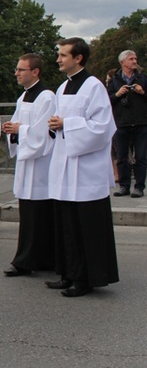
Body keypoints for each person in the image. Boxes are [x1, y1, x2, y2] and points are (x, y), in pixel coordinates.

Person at [46, 37, 119, 297]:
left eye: (64, 55)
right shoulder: (62, 87)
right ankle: (68, 273)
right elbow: (57, 121)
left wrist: (67, 124)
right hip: (65, 165)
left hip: (86, 168)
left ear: (78, 58)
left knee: (85, 225)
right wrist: (54, 125)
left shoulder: (93, 86)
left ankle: (86, 279)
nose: (58, 59)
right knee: (67, 223)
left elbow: (103, 128)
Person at [2, 54, 56, 276]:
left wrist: (19, 131)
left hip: (41, 165)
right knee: (29, 215)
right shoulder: (24, 96)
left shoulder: (47, 97)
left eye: (21, 69)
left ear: (35, 72)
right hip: (27, 165)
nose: (16, 73)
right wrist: (11, 129)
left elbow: (44, 132)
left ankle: (31, 261)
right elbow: (19, 123)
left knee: (41, 215)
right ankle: (32, 258)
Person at [107, 50, 147, 198]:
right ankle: (124, 186)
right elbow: (105, 101)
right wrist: (117, 94)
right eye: (131, 59)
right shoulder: (114, 81)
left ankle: (139, 187)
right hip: (122, 123)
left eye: (135, 58)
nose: (135, 61)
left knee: (141, 156)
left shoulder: (143, 78)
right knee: (122, 157)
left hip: (141, 122)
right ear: (122, 62)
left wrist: (142, 92)